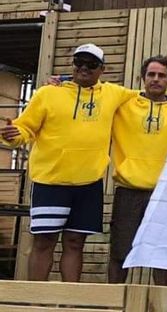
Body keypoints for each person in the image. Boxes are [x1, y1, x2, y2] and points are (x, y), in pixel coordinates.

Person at [1, 44, 139, 281]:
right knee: (44, 241)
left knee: (75, 243)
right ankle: (36, 302)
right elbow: (25, 127)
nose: (84, 68)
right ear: (73, 65)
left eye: (91, 64)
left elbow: (147, 96)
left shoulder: (113, 93)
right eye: (79, 63)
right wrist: (12, 136)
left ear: (102, 69)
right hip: (50, 181)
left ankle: (68, 303)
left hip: (89, 183)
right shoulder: (47, 93)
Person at [107, 56, 167, 285]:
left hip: (165, 192)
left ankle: (161, 306)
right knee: (121, 250)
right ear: (143, 77)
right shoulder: (123, 103)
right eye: (151, 74)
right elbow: (96, 89)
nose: (156, 79)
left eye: (161, 75)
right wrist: (60, 80)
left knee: (162, 254)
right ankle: (113, 301)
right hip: (129, 189)